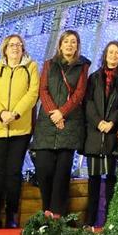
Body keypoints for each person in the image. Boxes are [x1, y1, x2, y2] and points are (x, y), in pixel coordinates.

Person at [0, 34, 39, 229]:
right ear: (5, 49)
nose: (15, 48)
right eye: (12, 45)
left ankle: (12, 214)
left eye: (19, 45)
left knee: (14, 172)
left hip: (20, 129)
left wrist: (15, 113)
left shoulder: (31, 67)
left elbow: (32, 93)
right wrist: (1, 113)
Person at [33, 29, 90, 217]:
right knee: (44, 168)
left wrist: (62, 112)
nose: (69, 45)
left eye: (73, 42)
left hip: (70, 123)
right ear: (60, 44)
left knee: (62, 172)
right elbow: (43, 89)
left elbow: (79, 93)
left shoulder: (82, 66)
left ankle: (57, 214)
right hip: (48, 123)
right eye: (66, 41)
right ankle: (46, 210)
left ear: (77, 45)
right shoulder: (49, 64)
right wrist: (54, 113)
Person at [84, 41, 118, 227]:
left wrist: (112, 122)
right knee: (93, 179)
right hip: (94, 134)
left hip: (113, 135)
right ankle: (90, 222)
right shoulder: (94, 78)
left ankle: (110, 222)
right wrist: (98, 122)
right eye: (110, 52)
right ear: (105, 55)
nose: (113, 56)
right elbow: (88, 103)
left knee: (112, 179)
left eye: (117, 53)